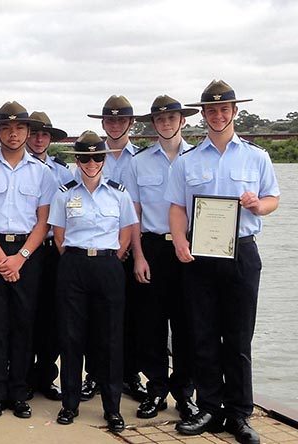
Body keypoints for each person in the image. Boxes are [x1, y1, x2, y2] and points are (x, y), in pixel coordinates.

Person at [167, 80, 279, 444]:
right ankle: (210, 407)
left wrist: (257, 206)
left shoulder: (256, 156)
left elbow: (272, 198)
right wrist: (180, 241)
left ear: (234, 112)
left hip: (242, 252)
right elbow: (177, 207)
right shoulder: (188, 160)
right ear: (203, 114)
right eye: (211, 110)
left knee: (238, 337)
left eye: (224, 109)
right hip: (200, 256)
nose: (217, 115)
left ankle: (240, 414)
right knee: (202, 335)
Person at [0, 101, 55, 419]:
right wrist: (2, 258)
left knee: (23, 323)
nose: (13, 133)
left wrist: (20, 258)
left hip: (28, 254)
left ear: (28, 132)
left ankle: (19, 391)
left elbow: (43, 222)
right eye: (6, 127)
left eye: (19, 128)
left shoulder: (42, 173)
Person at [50, 131, 137, 433]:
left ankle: (111, 408)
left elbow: (126, 232)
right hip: (73, 265)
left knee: (110, 339)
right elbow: (59, 236)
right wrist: (78, 257)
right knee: (71, 337)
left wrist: (114, 257)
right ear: (77, 160)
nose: (91, 163)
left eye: (97, 157)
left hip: (108, 265)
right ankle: (69, 404)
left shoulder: (119, 193)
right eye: (85, 158)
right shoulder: (64, 193)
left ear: (103, 159)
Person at [123, 95, 200, 421]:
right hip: (153, 247)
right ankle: (155, 389)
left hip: (189, 249)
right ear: (152, 124)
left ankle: (185, 393)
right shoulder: (138, 162)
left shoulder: (198, 158)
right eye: (160, 119)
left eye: (172, 118)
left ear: (182, 121)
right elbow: (134, 215)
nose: (166, 124)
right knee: (151, 324)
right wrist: (138, 256)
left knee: (188, 324)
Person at [83, 95, 147, 403]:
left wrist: (131, 253)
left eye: (122, 120)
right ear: (103, 123)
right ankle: (93, 374)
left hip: (131, 249)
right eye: (110, 120)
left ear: (131, 123)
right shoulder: (90, 155)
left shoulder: (143, 159)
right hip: (98, 253)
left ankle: (130, 375)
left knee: (133, 317)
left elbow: (135, 211)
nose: (115, 125)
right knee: (94, 317)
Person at [24, 111, 71, 402]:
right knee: (27, 314)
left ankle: (46, 376)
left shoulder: (63, 172)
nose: (40, 139)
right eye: (35, 134)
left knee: (53, 317)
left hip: (54, 249)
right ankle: (25, 375)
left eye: (45, 135)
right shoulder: (21, 167)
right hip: (26, 248)